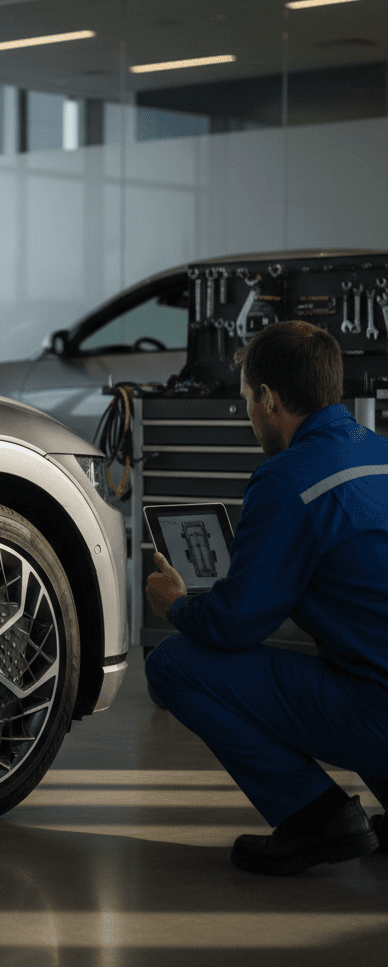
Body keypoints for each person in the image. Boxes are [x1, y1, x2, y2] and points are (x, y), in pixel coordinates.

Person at [144, 320, 388, 875]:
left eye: (247, 400)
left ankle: (317, 818)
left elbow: (237, 624)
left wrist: (177, 605)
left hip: (379, 714)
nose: (249, 415)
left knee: (173, 665)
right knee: (361, 654)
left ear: (269, 399)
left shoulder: (286, 479)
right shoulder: (380, 452)